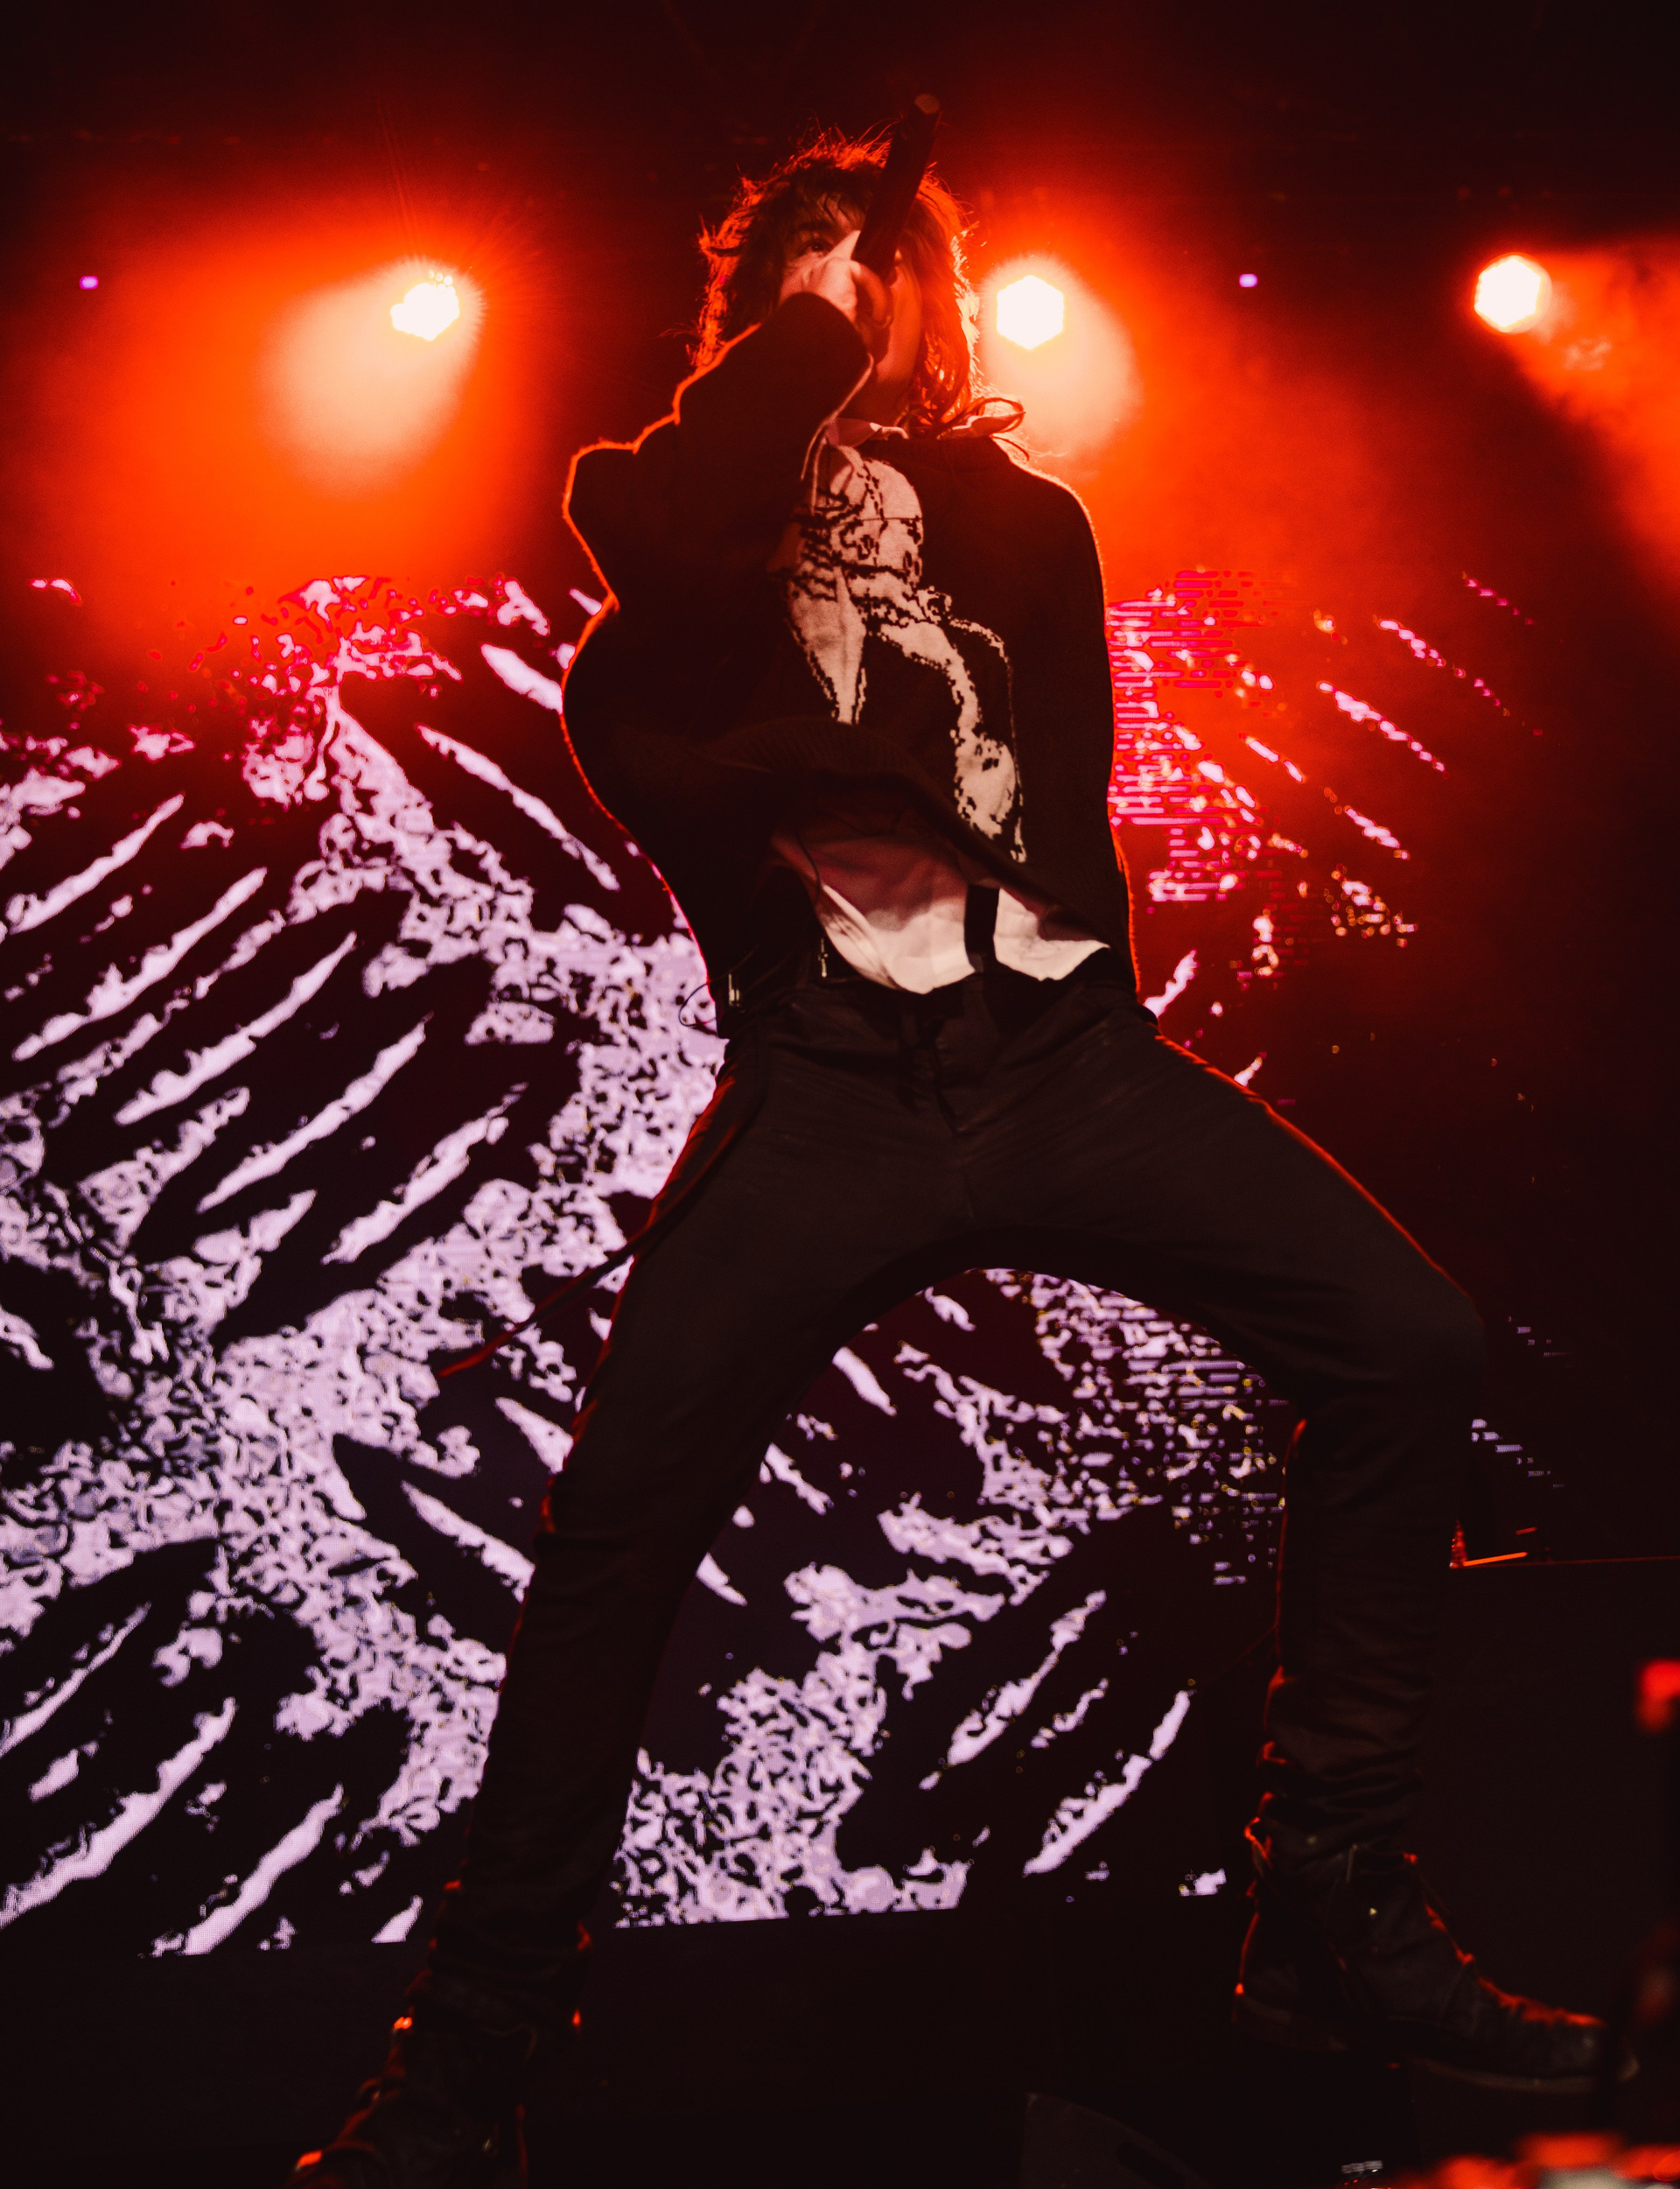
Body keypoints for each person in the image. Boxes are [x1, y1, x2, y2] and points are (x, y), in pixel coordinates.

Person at [294, 131, 1610, 2189]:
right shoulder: (673, 567)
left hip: (1059, 1060)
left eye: (885, 261)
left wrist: (1068, 1005)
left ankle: (1331, 1912)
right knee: (614, 1539)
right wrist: (811, 338)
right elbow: (668, 526)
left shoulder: (1023, 526)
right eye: (814, 264)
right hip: (830, 1092)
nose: (857, 286)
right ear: (760, 315)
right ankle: (460, 2082)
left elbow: (1043, 795)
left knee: (1409, 1342)